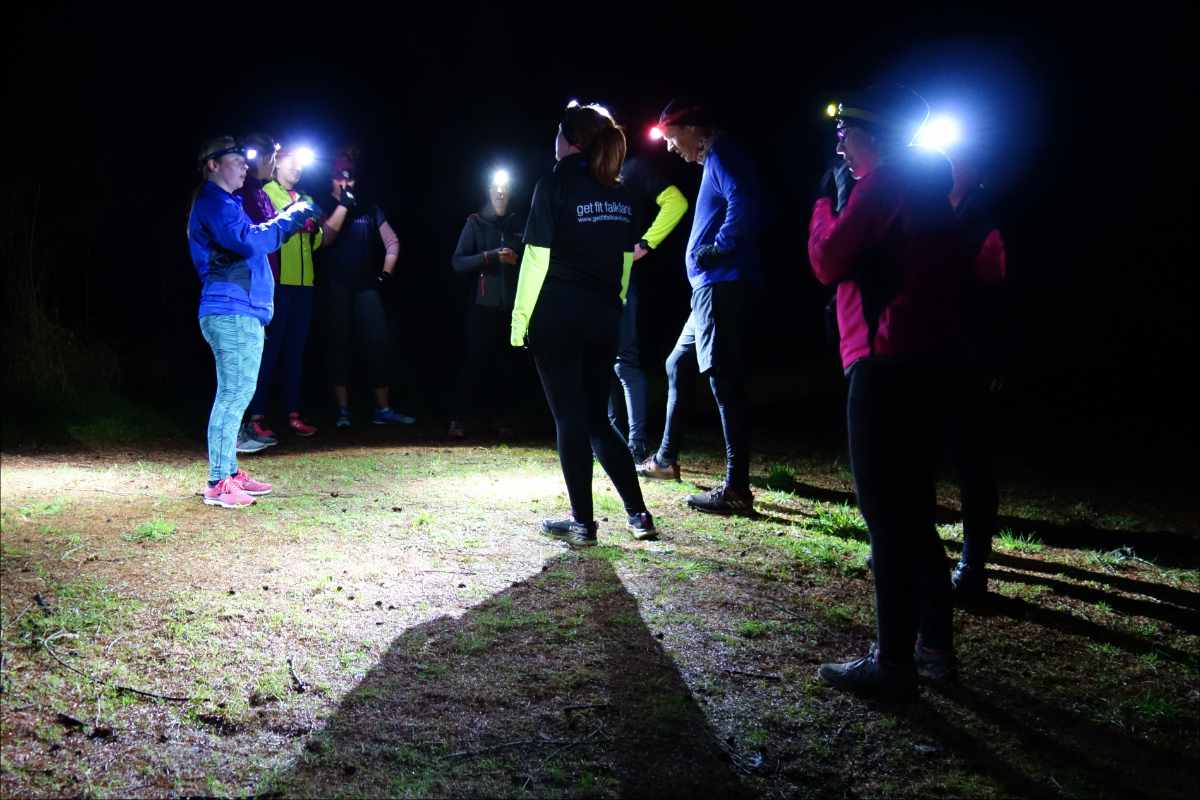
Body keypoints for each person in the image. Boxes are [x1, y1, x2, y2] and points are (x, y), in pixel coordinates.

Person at [808, 85, 968, 699]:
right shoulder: (930, 186)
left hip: (882, 363)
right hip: (926, 363)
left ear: (870, 134)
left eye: (847, 133)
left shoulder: (884, 185)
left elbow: (826, 258)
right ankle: (933, 648)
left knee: (885, 513)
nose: (841, 143)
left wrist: (823, 204)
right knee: (912, 509)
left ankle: (893, 662)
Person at [511, 101, 656, 547]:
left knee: (570, 419)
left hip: (556, 315)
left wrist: (520, 321)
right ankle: (639, 515)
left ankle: (582, 524)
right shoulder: (618, 191)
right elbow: (625, 262)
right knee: (596, 418)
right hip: (602, 317)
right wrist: (614, 304)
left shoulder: (552, 183)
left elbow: (536, 257)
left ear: (568, 140)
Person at [636, 98, 763, 516]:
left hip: (720, 286)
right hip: (707, 289)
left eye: (673, 138)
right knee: (677, 363)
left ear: (693, 128)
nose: (672, 148)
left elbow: (744, 202)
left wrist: (717, 248)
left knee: (724, 382)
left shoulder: (722, 152)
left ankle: (736, 488)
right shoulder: (712, 159)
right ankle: (666, 459)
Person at [186, 135, 316, 507]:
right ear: (212, 164)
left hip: (240, 308)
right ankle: (217, 481)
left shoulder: (226, 202)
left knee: (237, 394)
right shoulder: (212, 199)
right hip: (231, 308)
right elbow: (249, 241)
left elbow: (249, 238)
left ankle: (228, 471)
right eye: (236, 158)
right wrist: (291, 217)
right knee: (233, 395)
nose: (245, 164)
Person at [946, 143, 1008, 599]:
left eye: (954, 161)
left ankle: (973, 562)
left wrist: (995, 357)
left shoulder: (985, 220)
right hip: (924, 348)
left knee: (972, 458)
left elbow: (999, 297)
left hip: (968, 355)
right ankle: (907, 544)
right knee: (911, 451)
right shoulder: (923, 210)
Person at [315, 152, 414, 429]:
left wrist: (385, 274)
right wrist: (344, 206)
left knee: (377, 343)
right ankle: (343, 411)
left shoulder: (369, 208)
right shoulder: (321, 204)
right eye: (339, 177)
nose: (345, 182)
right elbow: (325, 239)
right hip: (334, 285)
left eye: (350, 177)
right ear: (331, 180)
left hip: (366, 286)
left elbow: (392, 242)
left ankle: (383, 409)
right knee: (338, 344)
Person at [246, 145, 334, 438]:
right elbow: (264, 228)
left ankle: (292, 414)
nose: (297, 169)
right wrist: (293, 221)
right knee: (269, 350)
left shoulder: (306, 198)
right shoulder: (266, 192)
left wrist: (314, 230)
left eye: (301, 164)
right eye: (292, 163)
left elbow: (318, 240)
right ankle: (257, 416)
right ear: (277, 164)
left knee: (295, 352)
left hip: (304, 284)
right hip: (277, 283)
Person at [607, 154, 689, 463]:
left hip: (623, 283)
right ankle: (612, 442)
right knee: (601, 364)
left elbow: (676, 202)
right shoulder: (590, 174)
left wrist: (645, 244)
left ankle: (635, 444)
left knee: (623, 363)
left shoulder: (633, 169)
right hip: (593, 284)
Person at [447, 169, 525, 439]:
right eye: (495, 188)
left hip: (512, 308)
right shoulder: (476, 222)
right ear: (489, 191)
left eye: (505, 188)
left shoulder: (519, 223)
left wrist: (519, 261)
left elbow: (532, 259)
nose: (500, 192)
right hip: (481, 308)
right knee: (474, 363)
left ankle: (504, 421)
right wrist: (491, 256)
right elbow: (458, 262)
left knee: (507, 366)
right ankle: (459, 419)